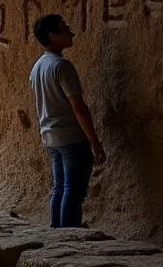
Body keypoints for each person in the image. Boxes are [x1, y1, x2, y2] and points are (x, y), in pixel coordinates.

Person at [30, 14, 107, 228]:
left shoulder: (38, 67)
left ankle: (57, 235)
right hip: (71, 137)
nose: (71, 32)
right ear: (53, 36)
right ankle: (69, 237)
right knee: (73, 190)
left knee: (60, 188)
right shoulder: (62, 66)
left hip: (51, 136)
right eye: (65, 28)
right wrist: (95, 142)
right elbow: (78, 108)